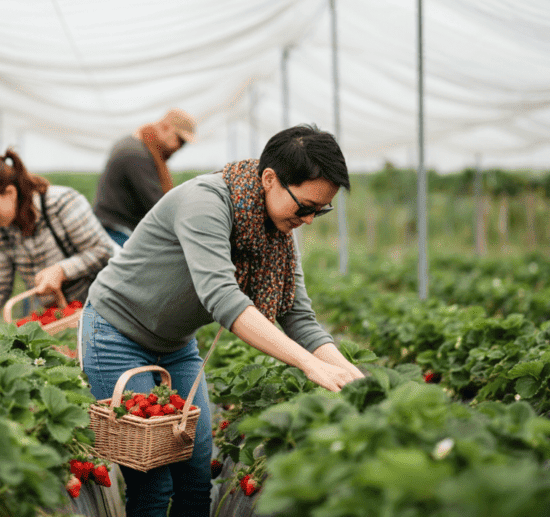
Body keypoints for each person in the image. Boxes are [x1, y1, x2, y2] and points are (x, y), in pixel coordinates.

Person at [80, 124, 366, 516]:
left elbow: (297, 315)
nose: (310, 220)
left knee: (196, 474)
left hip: (175, 344)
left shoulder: (275, 232)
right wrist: (309, 364)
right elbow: (223, 298)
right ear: (270, 179)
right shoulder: (206, 202)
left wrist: (357, 380)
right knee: (152, 478)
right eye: (305, 207)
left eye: (321, 209)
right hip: (115, 333)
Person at [0, 148, 115, 347]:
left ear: (10, 193)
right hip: (64, 317)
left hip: (107, 303)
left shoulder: (61, 203)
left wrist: (61, 270)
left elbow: (103, 250)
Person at [92, 108, 196, 246]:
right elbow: (158, 205)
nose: (179, 147)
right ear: (165, 128)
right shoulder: (136, 154)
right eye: (180, 140)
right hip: (116, 231)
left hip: (115, 227)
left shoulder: (141, 147)